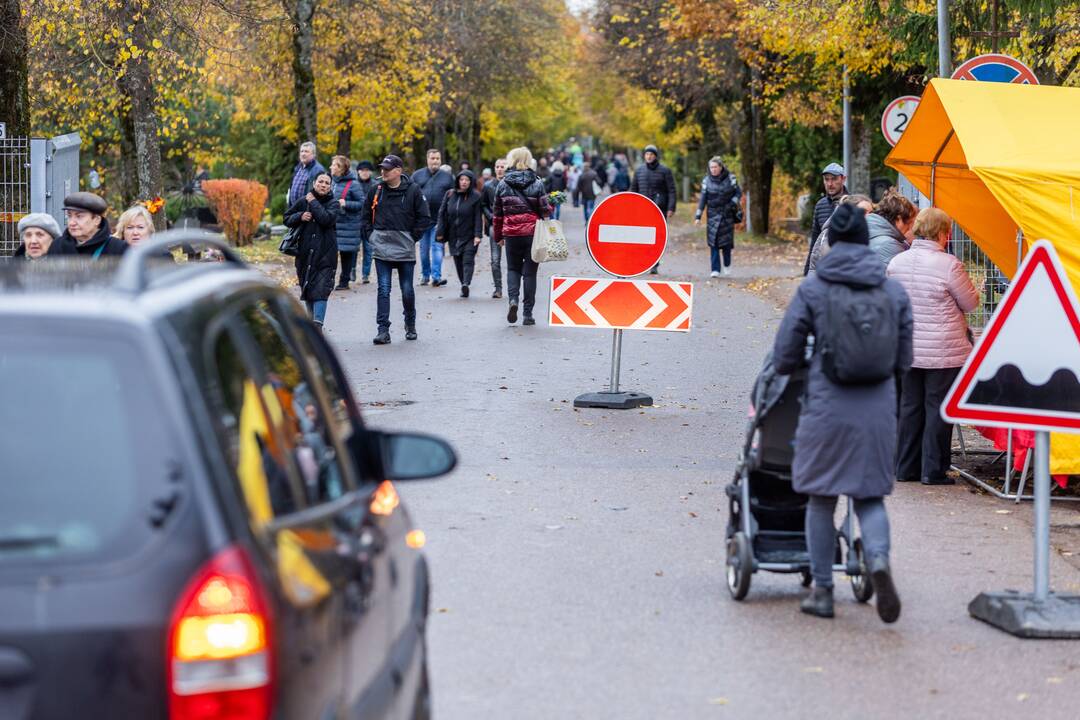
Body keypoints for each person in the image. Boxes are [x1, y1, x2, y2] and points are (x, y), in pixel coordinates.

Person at [772, 203, 913, 623]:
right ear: (866, 241)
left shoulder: (814, 289)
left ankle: (822, 591)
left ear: (831, 241)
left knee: (819, 499)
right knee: (870, 499)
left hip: (827, 406)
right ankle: (878, 561)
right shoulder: (892, 290)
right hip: (877, 409)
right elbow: (904, 360)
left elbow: (783, 357)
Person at [887, 207, 979, 485]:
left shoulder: (896, 263)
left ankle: (905, 468)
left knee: (910, 407)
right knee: (937, 408)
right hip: (943, 351)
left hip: (905, 349)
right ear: (942, 233)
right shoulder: (949, 265)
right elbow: (970, 303)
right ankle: (933, 470)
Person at [360, 155, 431, 344]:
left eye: (388, 169)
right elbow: (365, 216)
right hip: (381, 247)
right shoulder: (376, 190)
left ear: (398, 171)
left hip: (404, 248)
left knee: (407, 289)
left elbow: (424, 218)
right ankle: (383, 330)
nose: (383, 171)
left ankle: (410, 324)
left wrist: (412, 237)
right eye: (382, 168)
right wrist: (371, 237)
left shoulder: (413, 191)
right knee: (383, 289)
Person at [492, 147, 551, 326]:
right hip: (532, 234)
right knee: (530, 274)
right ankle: (528, 314)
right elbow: (545, 210)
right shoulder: (537, 183)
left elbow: (497, 214)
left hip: (511, 235)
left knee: (513, 269)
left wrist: (498, 236)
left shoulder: (503, 184)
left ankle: (513, 301)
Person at [284, 173, 338, 327]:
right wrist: (300, 216)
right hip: (305, 254)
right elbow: (286, 218)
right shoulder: (303, 201)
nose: (323, 185)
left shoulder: (333, 203)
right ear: (314, 183)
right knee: (307, 289)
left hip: (325, 255)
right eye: (320, 181)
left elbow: (326, 219)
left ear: (330, 186)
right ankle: (311, 325)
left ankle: (317, 325)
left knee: (321, 290)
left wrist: (313, 201)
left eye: (327, 183)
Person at [437, 170, 484, 298]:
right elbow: (442, 214)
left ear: (471, 182)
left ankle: (466, 283)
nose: (464, 182)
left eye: (467, 180)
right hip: (453, 235)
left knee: (468, 259)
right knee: (458, 260)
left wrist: (478, 235)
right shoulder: (450, 194)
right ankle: (463, 284)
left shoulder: (475, 196)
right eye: (462, 179)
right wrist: (440, 232)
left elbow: (478, 217)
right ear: (457, 181)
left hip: (469, 235)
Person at [411, 149, 454, 287]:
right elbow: (410, 194)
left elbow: (453, 198)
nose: (435, 161)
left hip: (440, 219)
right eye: (432, 158)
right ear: (427, 159)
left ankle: (436, 276)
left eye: (437, 158)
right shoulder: (417, 175)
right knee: (423, 250)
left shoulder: (447, 177)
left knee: (437, 248)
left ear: (440, 160)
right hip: (422, 219)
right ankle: (425, 275)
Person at [631, 144, 676, 274]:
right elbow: (633, 190)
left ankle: (654, 263)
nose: (649, 156)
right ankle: (643, 261)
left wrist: (671, 207)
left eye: (651, 154)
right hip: (642, 209)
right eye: (647, 154)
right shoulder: (639, 171)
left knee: (656, 238)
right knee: (641, 237)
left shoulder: (665, 171)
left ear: (655, 156)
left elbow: (671, 190)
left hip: (659, 209)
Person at [694, 157, 743, 277]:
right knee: (713, 242)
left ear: (721, 167)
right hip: (712, 215)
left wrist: (732, 202)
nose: (713, 169)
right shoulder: (706, 181)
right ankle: (715, 269)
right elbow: (703, 199)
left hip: (727, 214)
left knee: (726, 243)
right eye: (711, 167)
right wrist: (698, 216)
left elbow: (738, 193)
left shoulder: (731, 178)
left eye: (715, 167)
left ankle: (727, 265)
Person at [806, 194, 873, 275]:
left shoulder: (872, 233)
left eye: (871, 213)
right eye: (863, 212)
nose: (869, 216)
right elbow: (814, 268)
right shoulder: (827, 235)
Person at [49, 192, 127, 257]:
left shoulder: (118, 248)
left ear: (96, 220)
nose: (71, 222)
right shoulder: (57, 245)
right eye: (69, 216)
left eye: (79, 216)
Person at [804, 163, 848, 275]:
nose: (830, 184)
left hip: (844, 266)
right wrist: (807, 271)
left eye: (834, 179)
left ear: (843, 179)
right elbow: (815, 240)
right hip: (822, 267)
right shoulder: (820, 205)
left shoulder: (852, 203)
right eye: (826, 179)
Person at [329, 155, 365, 290]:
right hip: (333, 224)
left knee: (346, 254)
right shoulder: (332, 182)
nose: (331, 167)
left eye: (334, 165)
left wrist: (346, 203)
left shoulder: (353, 184)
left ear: (341, 168)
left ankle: (344, 281)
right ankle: (329, 280)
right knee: (330, 254)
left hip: (348, 225)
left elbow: (362, 203)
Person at [868, 190, 917, 267]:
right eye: (910, 222)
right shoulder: (890, 245)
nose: (910, 227)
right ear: (899, 219)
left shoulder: (867, 227)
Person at [482, 158, 508, 298]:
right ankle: (498, 288)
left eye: (502, 166)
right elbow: (483, 204)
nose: (499, 169)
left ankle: (512, 288)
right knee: (495, 259)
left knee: (512, 259)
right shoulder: (488, 186)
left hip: (511, 225)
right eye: (497, 166)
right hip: (494, 225)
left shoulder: (512, 184)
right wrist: (491, 216)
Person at [354, 160, 377, 283]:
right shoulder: (353, 184)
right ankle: (352, 270)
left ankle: (365, 275)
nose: (364, 172)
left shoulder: (375, 185)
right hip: (355, 221)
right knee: (354, 249)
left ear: (370, 172)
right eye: (362, 170)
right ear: (358, 171)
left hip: (370, 222)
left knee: (368, 250)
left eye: (367, 170)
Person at [288, 141, 327, 206]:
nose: (303, 154)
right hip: (294, 211)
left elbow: (319, 195)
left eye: (306, 151)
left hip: (307, 213)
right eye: (302, 151)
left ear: (313, 155)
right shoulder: (298, 168)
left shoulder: (318, 170)